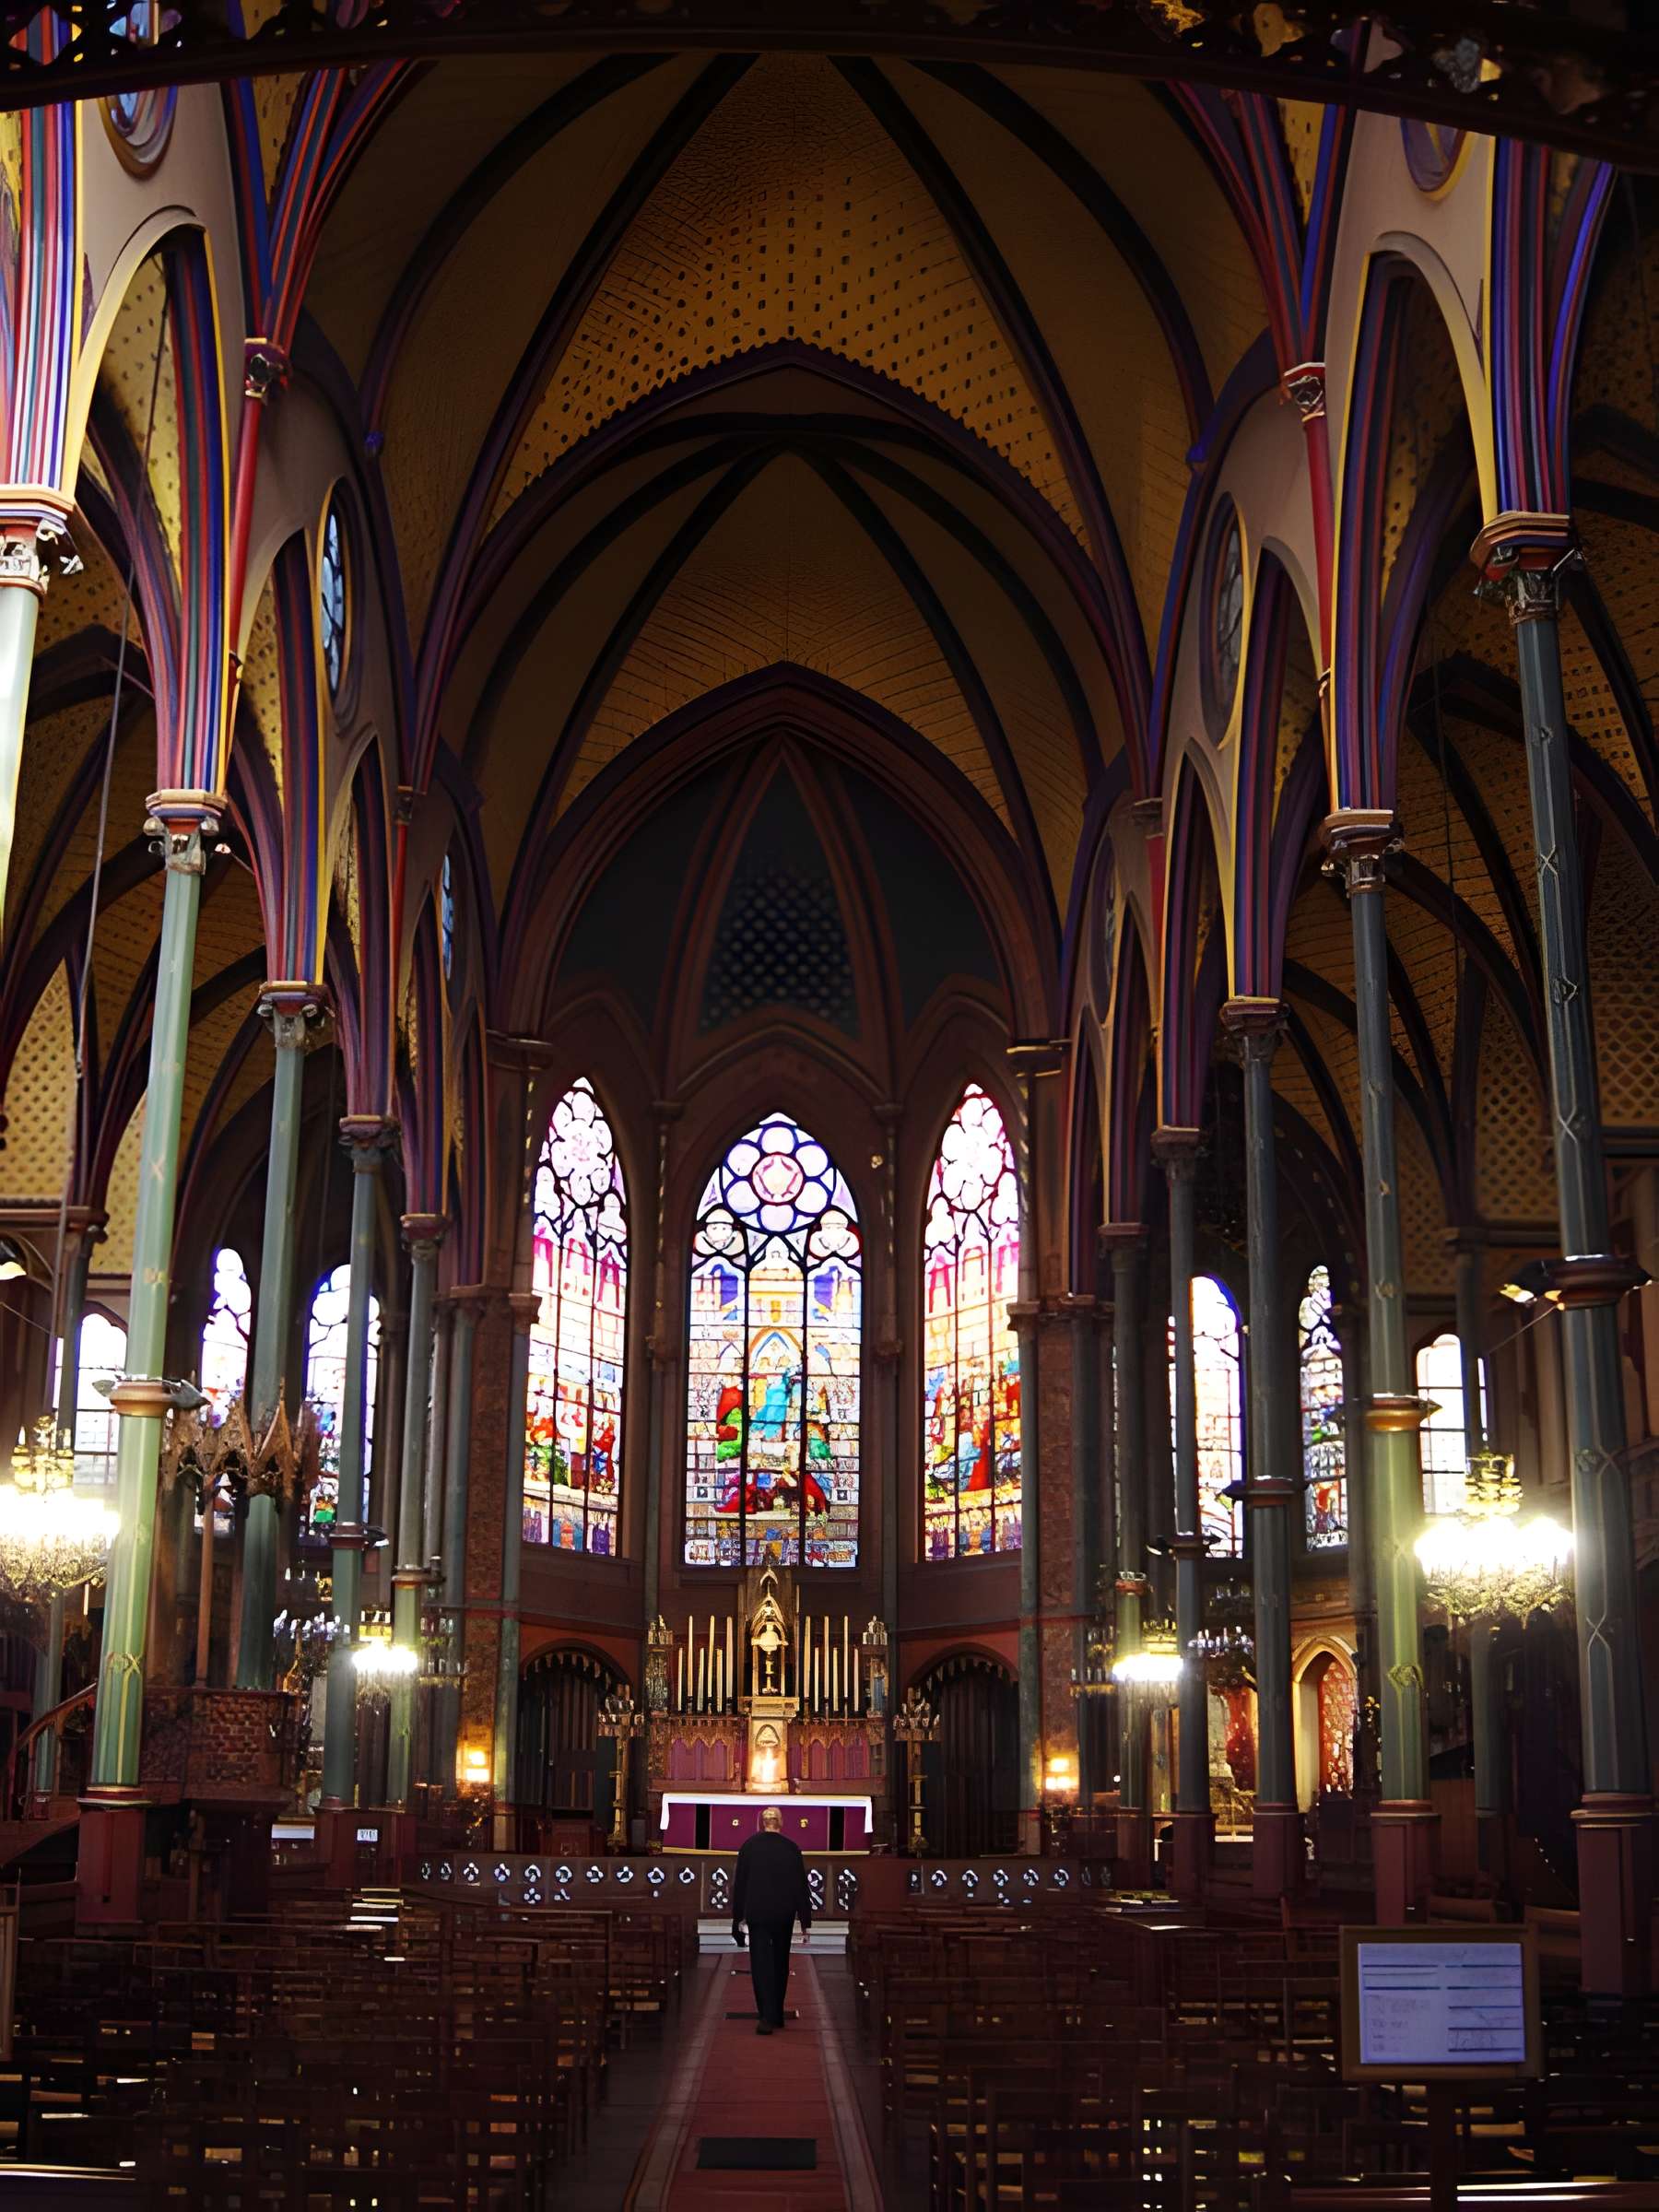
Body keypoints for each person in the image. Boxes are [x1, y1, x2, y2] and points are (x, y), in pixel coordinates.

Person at [730, 1806, 812, 2034]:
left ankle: (766, 2015)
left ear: (762, 1823)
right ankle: (776, 2014)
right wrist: (805, 1920)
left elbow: (741, 1885)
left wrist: (737, 1918)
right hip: (783, 1913)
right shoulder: (791, 1848)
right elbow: (800, 1886)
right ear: (780, 1823)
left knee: (761, 1964)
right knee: (780, 1962)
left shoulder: (749, 1846)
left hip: (758, 1913)